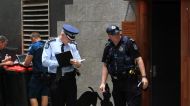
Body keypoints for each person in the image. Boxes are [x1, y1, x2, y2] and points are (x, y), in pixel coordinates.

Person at [99, 25, 148, 106]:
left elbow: (139, 59)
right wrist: (103, 82)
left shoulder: (128, 42)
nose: (117, 35)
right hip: (116, 83)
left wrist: (144, 77)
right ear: (109, 36)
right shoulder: (108, 47)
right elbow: (105, 65)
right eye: (115, 34)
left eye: (118, 33)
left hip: (130, 81)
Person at [42, 24, 82, 106]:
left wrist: (77, 63)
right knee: (57, 103)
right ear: (63, 34)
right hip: (56, 79)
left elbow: (78, 62)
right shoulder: (50, 43)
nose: (70, 41)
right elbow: (44, 61)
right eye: (69, 39)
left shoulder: (73, 45)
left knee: (72, 103)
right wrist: (60, 62)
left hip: (70, 79)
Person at [23, 32, 49, 106]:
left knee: (32, 95)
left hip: (37, 74)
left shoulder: (33, 46)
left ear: (33, 38)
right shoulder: (47, 44)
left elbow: (27, 63)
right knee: (44, 93)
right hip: (47, 74)